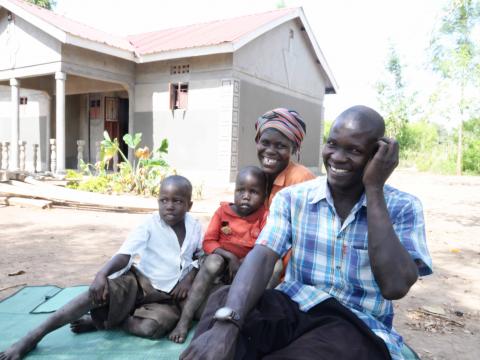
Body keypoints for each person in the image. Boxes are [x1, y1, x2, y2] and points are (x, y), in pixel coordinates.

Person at [180, 105, 433, 360]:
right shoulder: (294, 198)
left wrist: (374, 189)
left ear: (377, 155)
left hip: (355, 323)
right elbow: (263, 255)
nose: (337, 157)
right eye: (333, 144)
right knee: (225, 301)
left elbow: (395, 286)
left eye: (354, 150)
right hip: (294, 304)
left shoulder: (403, 207)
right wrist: (227, 325)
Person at [0, 175, 203, 360]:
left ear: (189, 204)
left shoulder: (195, 227)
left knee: (152, 328)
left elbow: (201, 255)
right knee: (94, 293)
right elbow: (125, 254)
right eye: (163, 200)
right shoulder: (149, 224)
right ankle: (32, 337)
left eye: (177, 201)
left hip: (168, 296)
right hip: (139, 282)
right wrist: (101, 274)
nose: (169, 206)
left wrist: (189, 277)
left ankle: (103, 320)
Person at [169, 166, 267, 344]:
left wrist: (244, 262)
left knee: (272, 266)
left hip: (246, 266)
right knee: (214, 261)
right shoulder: (222, 212)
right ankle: (184, 320)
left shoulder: (264, 216)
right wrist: (230, 257)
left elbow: (264, 245)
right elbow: (208, 242)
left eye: (253, 192)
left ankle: (252, 318)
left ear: (264, 195)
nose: (246, 196)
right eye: (240, 190)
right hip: (218, 264)